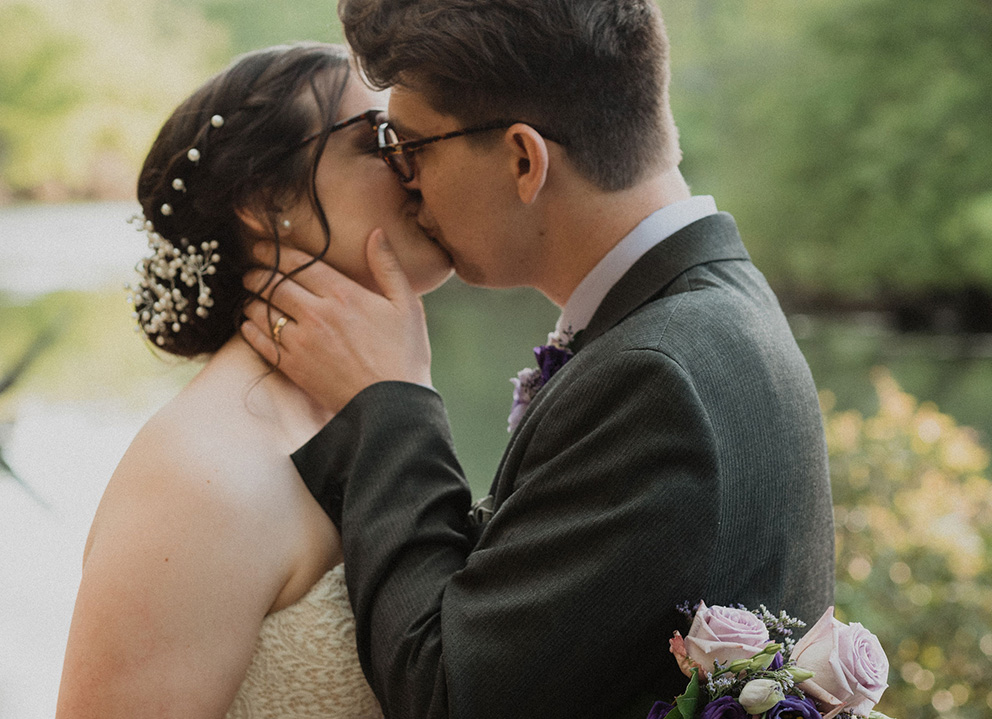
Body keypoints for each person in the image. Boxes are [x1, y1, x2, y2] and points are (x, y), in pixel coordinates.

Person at [240, 1, 837, 718]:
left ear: (524, 159)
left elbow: (448, 693)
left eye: (411, 145)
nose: (404, 179)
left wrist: (390, 400)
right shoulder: (720, 305)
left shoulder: (653, 376)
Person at [56, 42, 452, 719]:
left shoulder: (362, 405)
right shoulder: (197, 474)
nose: (415, 165)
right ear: (266, 199)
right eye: (378, 139)